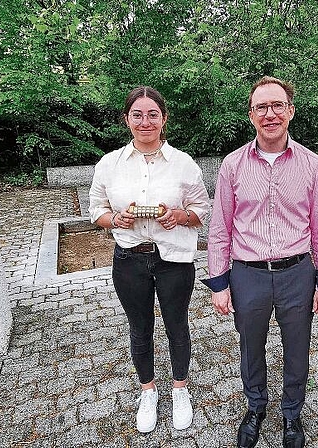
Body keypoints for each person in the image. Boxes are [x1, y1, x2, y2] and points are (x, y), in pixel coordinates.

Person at [203, 76, 318, 448]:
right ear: (251, 116)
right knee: (251, 345)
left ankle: (292, 414)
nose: (270, 114)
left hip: (298, 272)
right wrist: (219, 282)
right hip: (248, 275)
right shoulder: (232, 165)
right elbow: (220, 228)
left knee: (298, 345)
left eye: (277, 105)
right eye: (261, 107)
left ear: (290, 111)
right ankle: (256, 406)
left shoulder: (312, 165)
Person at [89, 86, 211, 433]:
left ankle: (180, 389)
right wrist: (117, 219)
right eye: (138, 114)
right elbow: (96, 209)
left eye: (153, 114)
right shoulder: (109, 164)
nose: (145, 122)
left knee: (176, 325)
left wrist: (179, 216)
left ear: (164, 119)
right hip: (129, 259)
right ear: (127, 119)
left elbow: (202, 209)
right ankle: (147, 391)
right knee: (140, 328)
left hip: (173, 259)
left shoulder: (183, 164)